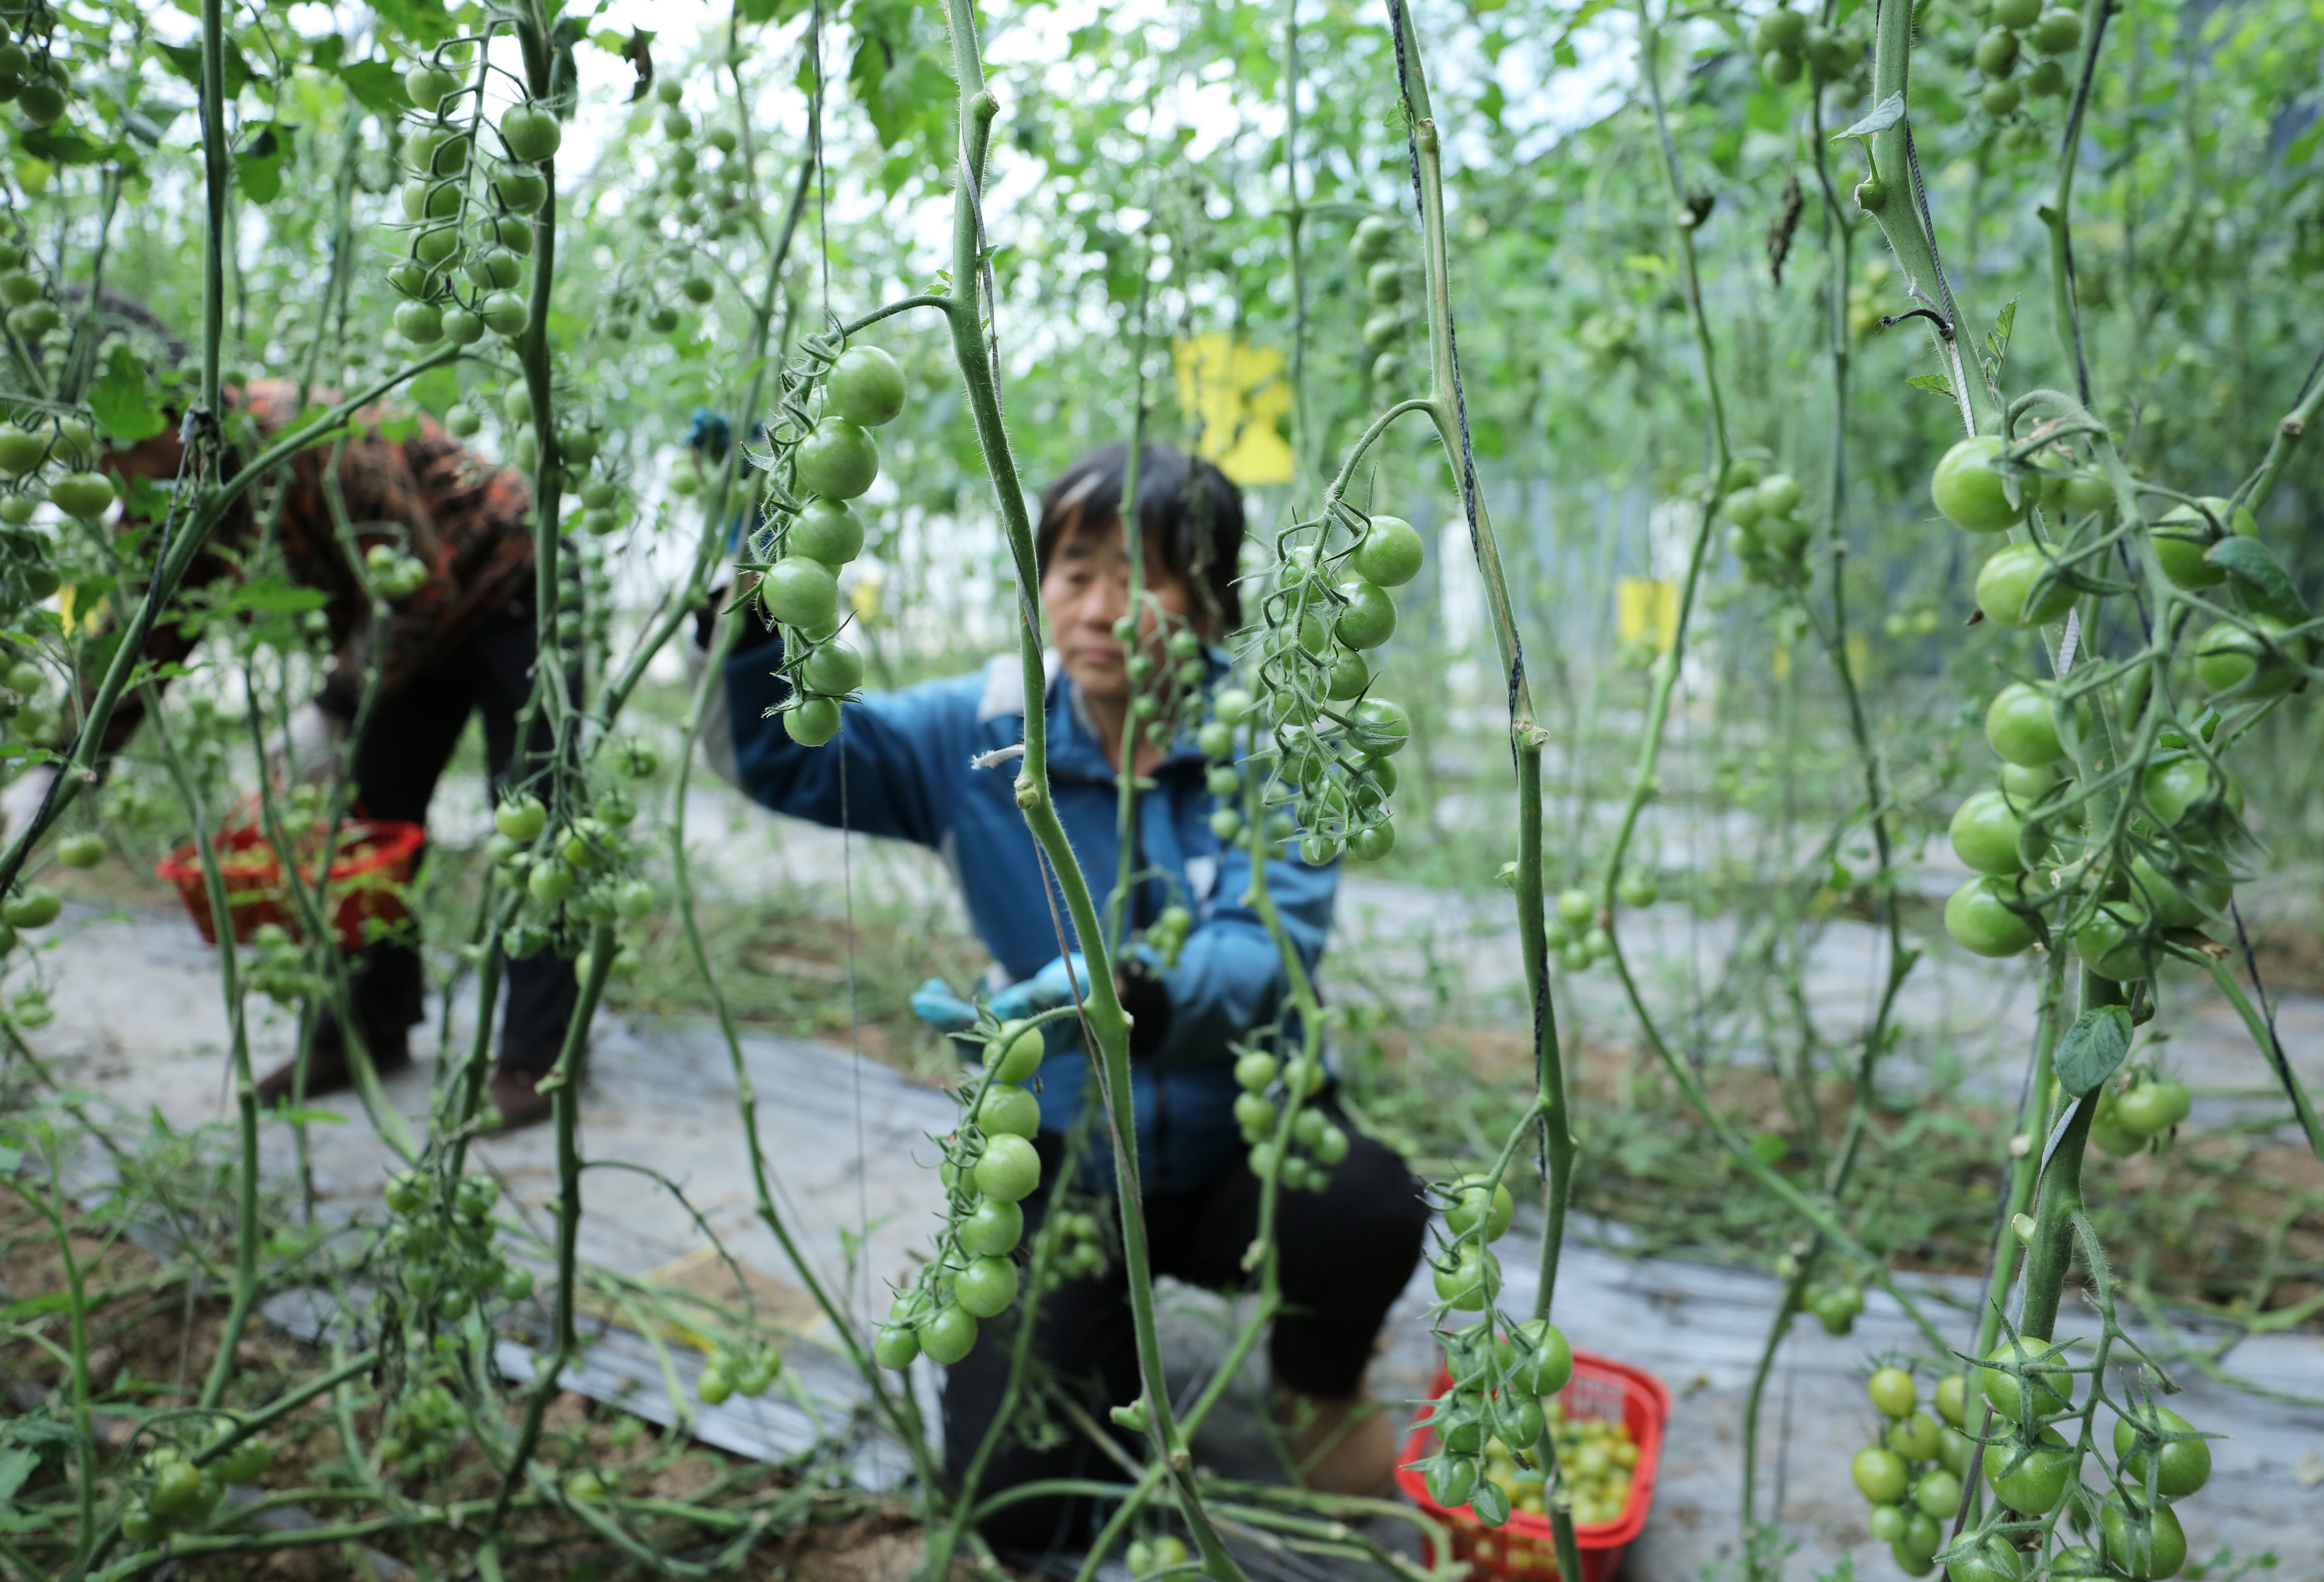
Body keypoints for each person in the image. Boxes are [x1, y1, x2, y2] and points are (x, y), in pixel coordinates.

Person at [716, 442, 1430, 1552]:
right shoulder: (983, 728)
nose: (1101, 609)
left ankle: (1315, 1379)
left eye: (1143, 577)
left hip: (1243, 1139)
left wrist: (1130, 989)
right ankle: (1089, 1368)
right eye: (1076, 570)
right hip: (1066, 1148)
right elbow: (793, 760)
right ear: (1041, 580)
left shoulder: (1273, 733)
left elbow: (1267, 948)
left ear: (1210, 599)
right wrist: (758, 590)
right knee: (1016, 1498)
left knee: (1368, 1206)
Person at [4, 294, 578, 1128]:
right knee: (362, 821)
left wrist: (332, 705)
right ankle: (363, 1033)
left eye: (110, 449)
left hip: (514, 585)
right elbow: (145, 633)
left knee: (534, 811)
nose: (110, 475)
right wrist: (63, 763)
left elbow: (418, 586)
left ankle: (537, 1057)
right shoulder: (179, 493)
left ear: (156, 404)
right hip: (401, 633)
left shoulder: (309, 433)